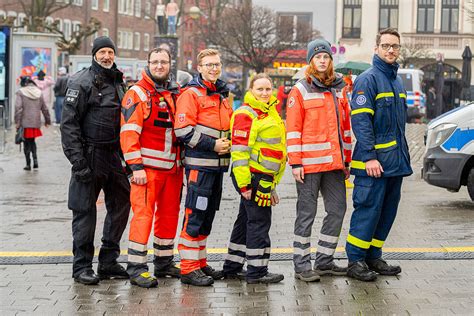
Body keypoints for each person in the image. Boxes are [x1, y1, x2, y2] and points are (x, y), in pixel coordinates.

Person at [60, 36, 131, 285]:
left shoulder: (118, 81)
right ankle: (81, 268)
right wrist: (78, 162)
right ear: (94, 54)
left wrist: (128, 158)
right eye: (102, 51)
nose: (106, 56)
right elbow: (69, 125)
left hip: (113, 156)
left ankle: (108, 261)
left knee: (122, 204)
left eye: (110, 51)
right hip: (89, 156)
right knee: (84, 212)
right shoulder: (80, 81)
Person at [346, 28, 412, 282]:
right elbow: (361, 122)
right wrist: (371, 157)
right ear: (376, 49)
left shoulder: (396, 81)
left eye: (395, 46)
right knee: (368, 210)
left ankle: (374, 256)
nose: (391, 50)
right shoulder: (368, 79)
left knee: (386, 212)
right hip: (373, 163)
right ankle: (355, 260)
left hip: (395, 164)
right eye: (386, 46)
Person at [286, 39, 352, 282]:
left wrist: (347, 161)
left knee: (337, 211)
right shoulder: (300, 90)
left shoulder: (339, 89)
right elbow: (292, 130)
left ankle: (324, 261)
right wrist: (295, 163)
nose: (322, 60)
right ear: (310, 61)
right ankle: (301, 264)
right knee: (306, 214)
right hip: (309, 166)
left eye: (326, 56)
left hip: (335, 166)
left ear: (331, 60)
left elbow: (345, 129)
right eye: (318, 57)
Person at [120, 48, 183, 288]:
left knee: (169, 216)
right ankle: (136, 267)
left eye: (163, 62)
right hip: (146, 171)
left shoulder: (173, 92)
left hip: (173, 170)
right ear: (148, 64)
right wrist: (135, 167)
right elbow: (128, 134)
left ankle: (164, 262)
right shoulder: (136, 93)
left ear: (170, 64)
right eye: (155, 62)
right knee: (143, 216)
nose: (159, 66)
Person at [174, 48, 232, 286]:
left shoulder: (220, 94)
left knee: (206, 217)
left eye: (217, 64)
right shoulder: (191, 94)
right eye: (209, 65)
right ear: (199, 68)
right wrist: (214, 145)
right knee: (194, 216)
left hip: (217, 168)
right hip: (200, 166)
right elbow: (182, 130)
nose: (214, 68)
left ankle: (200, 263)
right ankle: (188, 269)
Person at [222, 73, 287, 284]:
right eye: (260, 89)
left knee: (245, 220)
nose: (265, 93)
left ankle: (232, 266)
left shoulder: (270, 112)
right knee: (259, 222)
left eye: (268, 89)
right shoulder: (246, 114)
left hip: (263, 177)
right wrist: (245, 185)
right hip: (252, 176)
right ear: (250, 90)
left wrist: (273, 185)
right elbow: (239, 153)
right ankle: (257, 272)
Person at [15, 76, 51, 170]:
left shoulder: (21, 92)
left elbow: (18, 108)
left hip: (25, 122)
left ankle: (28, 164)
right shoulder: (39, 92)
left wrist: (17, 123)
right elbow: (44, 108)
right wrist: (47, 121)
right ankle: (35, 161)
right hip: (35, 122)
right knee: (32, 141)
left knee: (26, 143)